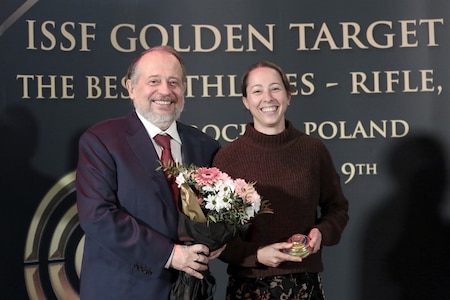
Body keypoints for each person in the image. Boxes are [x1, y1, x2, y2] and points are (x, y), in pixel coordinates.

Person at [76, 45, 223, 299]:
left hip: (190, 290)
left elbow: (216, 211)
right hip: (124, 290)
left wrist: (220, 239)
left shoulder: (205, 146)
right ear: (131, 88)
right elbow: (97, 216)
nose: (165, 91)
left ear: (184, 90)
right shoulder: (101, 140)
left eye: (174, 82)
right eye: (154, 81)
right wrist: (170, 255)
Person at [213, 61, 349, 300]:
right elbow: (216, 235)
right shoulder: (228, 158)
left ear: (288, 95)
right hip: (249, 287)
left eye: (275, 88)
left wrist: (322, 232)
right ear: (245, 101)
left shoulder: (312, 150)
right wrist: (256, 254)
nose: (268, 97)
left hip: (304, 284)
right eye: (257, 91)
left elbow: (337, 208)